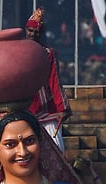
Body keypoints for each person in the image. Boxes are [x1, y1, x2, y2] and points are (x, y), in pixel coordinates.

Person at [25, 8, 71, 150]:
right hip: (24, 109)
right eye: (30, 31)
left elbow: (54, 81)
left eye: (36, 32)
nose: (33, 34)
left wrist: (63, 108)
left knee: (56, 149)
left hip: (47, 111)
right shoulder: (18, 53)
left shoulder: (48, 54)